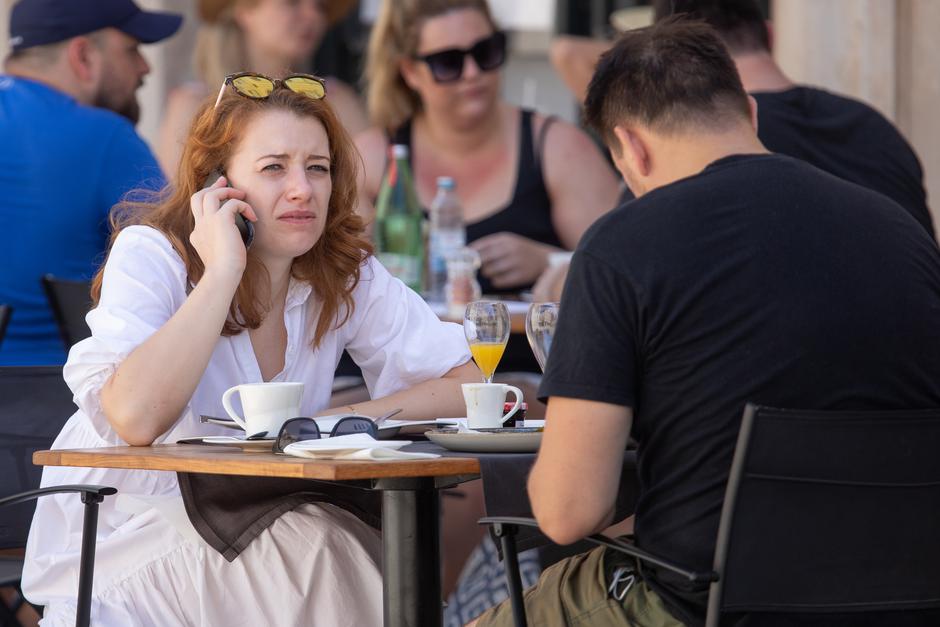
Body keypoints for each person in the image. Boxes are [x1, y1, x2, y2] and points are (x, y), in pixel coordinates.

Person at [472, 18, 940, 627]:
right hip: (904, 599)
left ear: (629, 149)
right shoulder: (901, 234)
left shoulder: (622, 246)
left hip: (704, 606)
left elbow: (567, 513)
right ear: (749, 110)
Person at [23, 76, 478, 625]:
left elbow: (466, 383)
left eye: (317, 167)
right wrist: (221, 274)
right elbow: (135, 417)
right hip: (130, 540)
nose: (302, 190)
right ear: (218, 185)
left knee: (357, 544)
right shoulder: (153, 255)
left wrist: (333, 422)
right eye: (273, 168)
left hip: (275, 520)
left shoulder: (339, 269)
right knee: (320, 548)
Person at [356, 0, 621, 297]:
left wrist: (547, 260)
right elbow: (329, 273)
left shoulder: (557, 147)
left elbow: (623, 271)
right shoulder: (370, 158)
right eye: (448, 62)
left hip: (525, 342)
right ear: (410, 72)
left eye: (486, 52)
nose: (472, 73)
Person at [0, 0, 181, 366]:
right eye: (132, 50)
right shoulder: (107, 137)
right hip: (63, 395)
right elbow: (181, 271)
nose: (143, 66)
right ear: (83, 56)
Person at [156, 0, 369, 179]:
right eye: (292, 2)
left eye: (320, 6)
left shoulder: (335, 98)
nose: (312, 15)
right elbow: (177, 207)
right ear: (245, 9)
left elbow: (363, 198)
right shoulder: (194, 104)